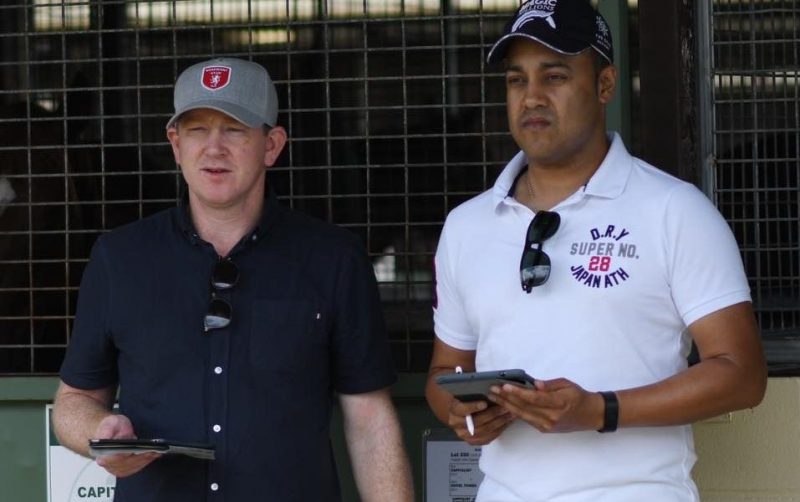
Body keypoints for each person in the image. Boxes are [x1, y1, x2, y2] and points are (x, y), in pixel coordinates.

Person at [424, 1, 767, 500]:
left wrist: (601, 410)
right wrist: (461, 410)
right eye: (516, 80)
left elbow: (742, 374)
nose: (532, 97)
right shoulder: (466, 226)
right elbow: (444, 373)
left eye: (555, 76)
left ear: (606, 85)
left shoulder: (673, 210)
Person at [53, 57, 414, 502]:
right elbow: (73, 401)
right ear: (175, 144)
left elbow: (370, 420)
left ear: (271, 145)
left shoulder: (333, 259)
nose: (214, 148)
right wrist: (100, 431)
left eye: (234, 129)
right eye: (197, 130)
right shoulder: (119, 259)